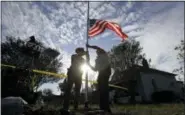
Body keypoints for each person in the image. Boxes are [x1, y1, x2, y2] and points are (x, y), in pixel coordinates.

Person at [86, 44, 112, 114]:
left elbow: (97, 47)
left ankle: (106, 108)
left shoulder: (104, 54)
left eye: (98, 50)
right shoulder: (97, 60)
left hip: (106, 72)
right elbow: (95, 69)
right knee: (100, 90)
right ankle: (102, 108)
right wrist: (88, 63)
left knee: (104, 90)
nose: (97, 51)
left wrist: (89, 46)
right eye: (97, 51)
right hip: (100, 73)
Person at [62, 47, 86, 112]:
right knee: (68, 90)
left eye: (82, 51)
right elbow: (76, 61)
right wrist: (83, 54)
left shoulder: (83, 59)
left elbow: (85, 64)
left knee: (77, 92)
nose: (82, 52)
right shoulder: (74, 56)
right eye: (81, 51)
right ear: (78, 51)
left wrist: (88, 56)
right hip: (72, 74)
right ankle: (65, 107)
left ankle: (75, 107)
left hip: (79, 76)